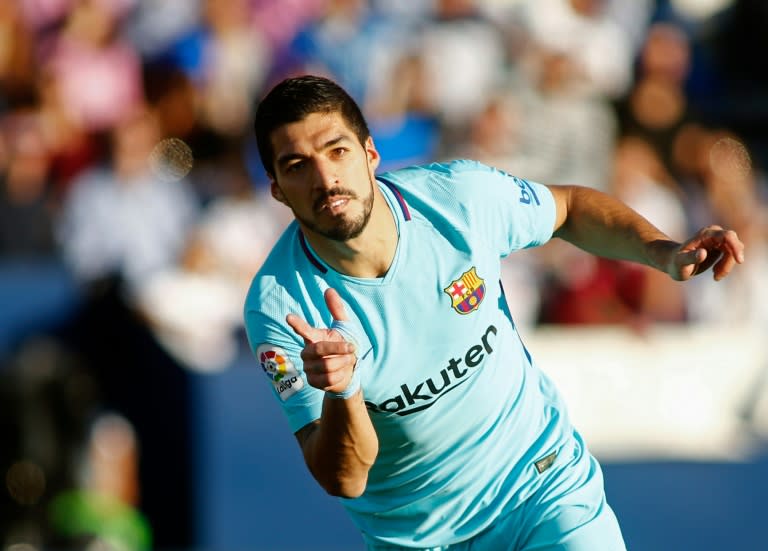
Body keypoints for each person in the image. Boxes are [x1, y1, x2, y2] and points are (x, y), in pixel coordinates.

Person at [243, 75, 745, 550]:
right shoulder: (278, 308)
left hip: (543, 488)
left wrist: (661, 251)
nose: (326, 179)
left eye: (337, 151)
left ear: (371, 153)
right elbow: (345, 478)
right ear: (276, 190)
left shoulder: (459, 197)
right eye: (297, 166)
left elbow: (567, 208)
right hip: (420, 538)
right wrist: (344, 390)